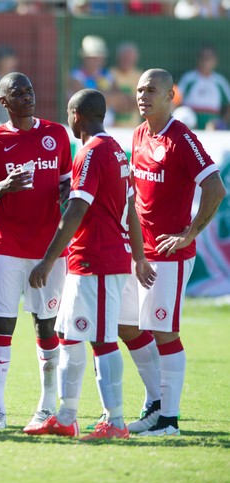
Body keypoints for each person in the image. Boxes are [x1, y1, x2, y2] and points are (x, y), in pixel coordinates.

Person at [26, 88, 156, 440]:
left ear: (76, 115)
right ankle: (67, 416)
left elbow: (77, 209)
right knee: (68, 334)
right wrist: (140, 257)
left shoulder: (91, 152)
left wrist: (47, 260)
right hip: (89, 259)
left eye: (69, 113)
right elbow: (130, 210)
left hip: (98, 258)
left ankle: (115, 422)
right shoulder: (116, 150)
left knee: (101, 339)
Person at [124, 69, 226, 436]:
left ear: (171, 95)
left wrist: (189, 233)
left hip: (170, 255)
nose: (142, 96)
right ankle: (156, 403)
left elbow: (216, 189)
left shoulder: (182, 139)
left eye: (151, 90)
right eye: (138, 90)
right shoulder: (137, 134)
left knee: (163, 331)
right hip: (140, 252)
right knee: (127, 325)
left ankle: (169, 419)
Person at [0, 72, 72, 432]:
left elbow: (66, 184)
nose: (27, 97)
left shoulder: (57, 134)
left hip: (49, 247)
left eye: (29, 90)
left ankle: (47, 407)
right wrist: (2, 187)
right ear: (4, 102)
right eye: (18, 93)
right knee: (2, 324)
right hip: (7, 246)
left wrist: (66, 196)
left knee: (46, 326)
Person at [178, 46, 230, 130]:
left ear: (215, 61)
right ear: (198, 59)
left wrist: (221, 123)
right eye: (203, 57)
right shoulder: (188, 79)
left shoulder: (220, 82)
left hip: (213, 129)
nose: (206, 60)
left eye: (209, 57)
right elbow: (176, 101)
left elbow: (228, 106)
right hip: (189, 127)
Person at [109, 42, 143, 128]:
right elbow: (107, 100)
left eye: (129, 58)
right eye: (124, 58)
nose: (126, 60)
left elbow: (141, 102)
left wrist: (118, 100)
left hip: (132, 128)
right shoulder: (110, 74)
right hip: (112, 128)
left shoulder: (140, 76)